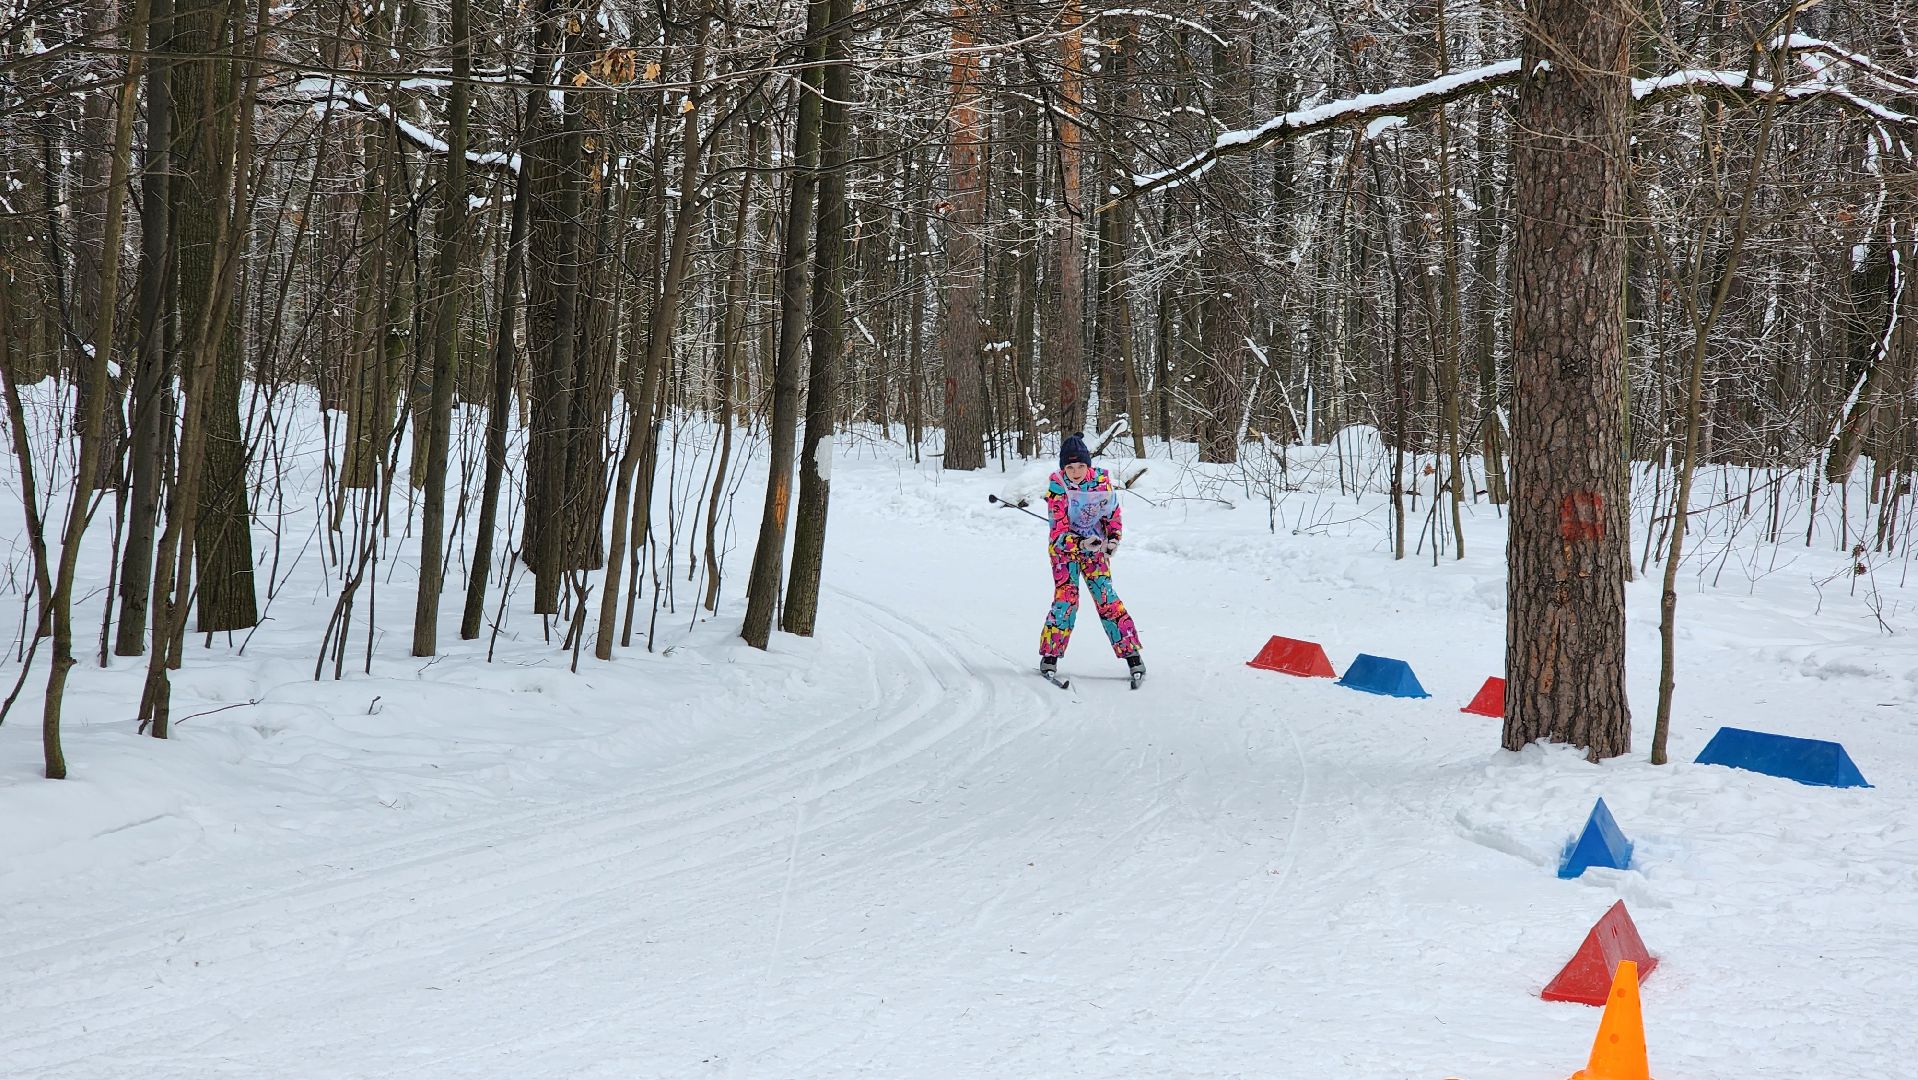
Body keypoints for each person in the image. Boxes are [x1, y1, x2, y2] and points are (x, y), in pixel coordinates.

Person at [1039, 432, 1143, 679]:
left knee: (1107, 597)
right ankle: (1050, 656)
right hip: (1065, 552)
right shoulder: (1058, 486)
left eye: (1081, 466)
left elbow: (1112, 516)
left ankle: (1132, 655)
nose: (1076, 472)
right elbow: (1058, 533)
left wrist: (1113, 539)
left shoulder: (1101, 483)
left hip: (1095, 550)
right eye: (1070, 467)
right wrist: (1081, 542)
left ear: (1089, 465)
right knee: (1067, 601)